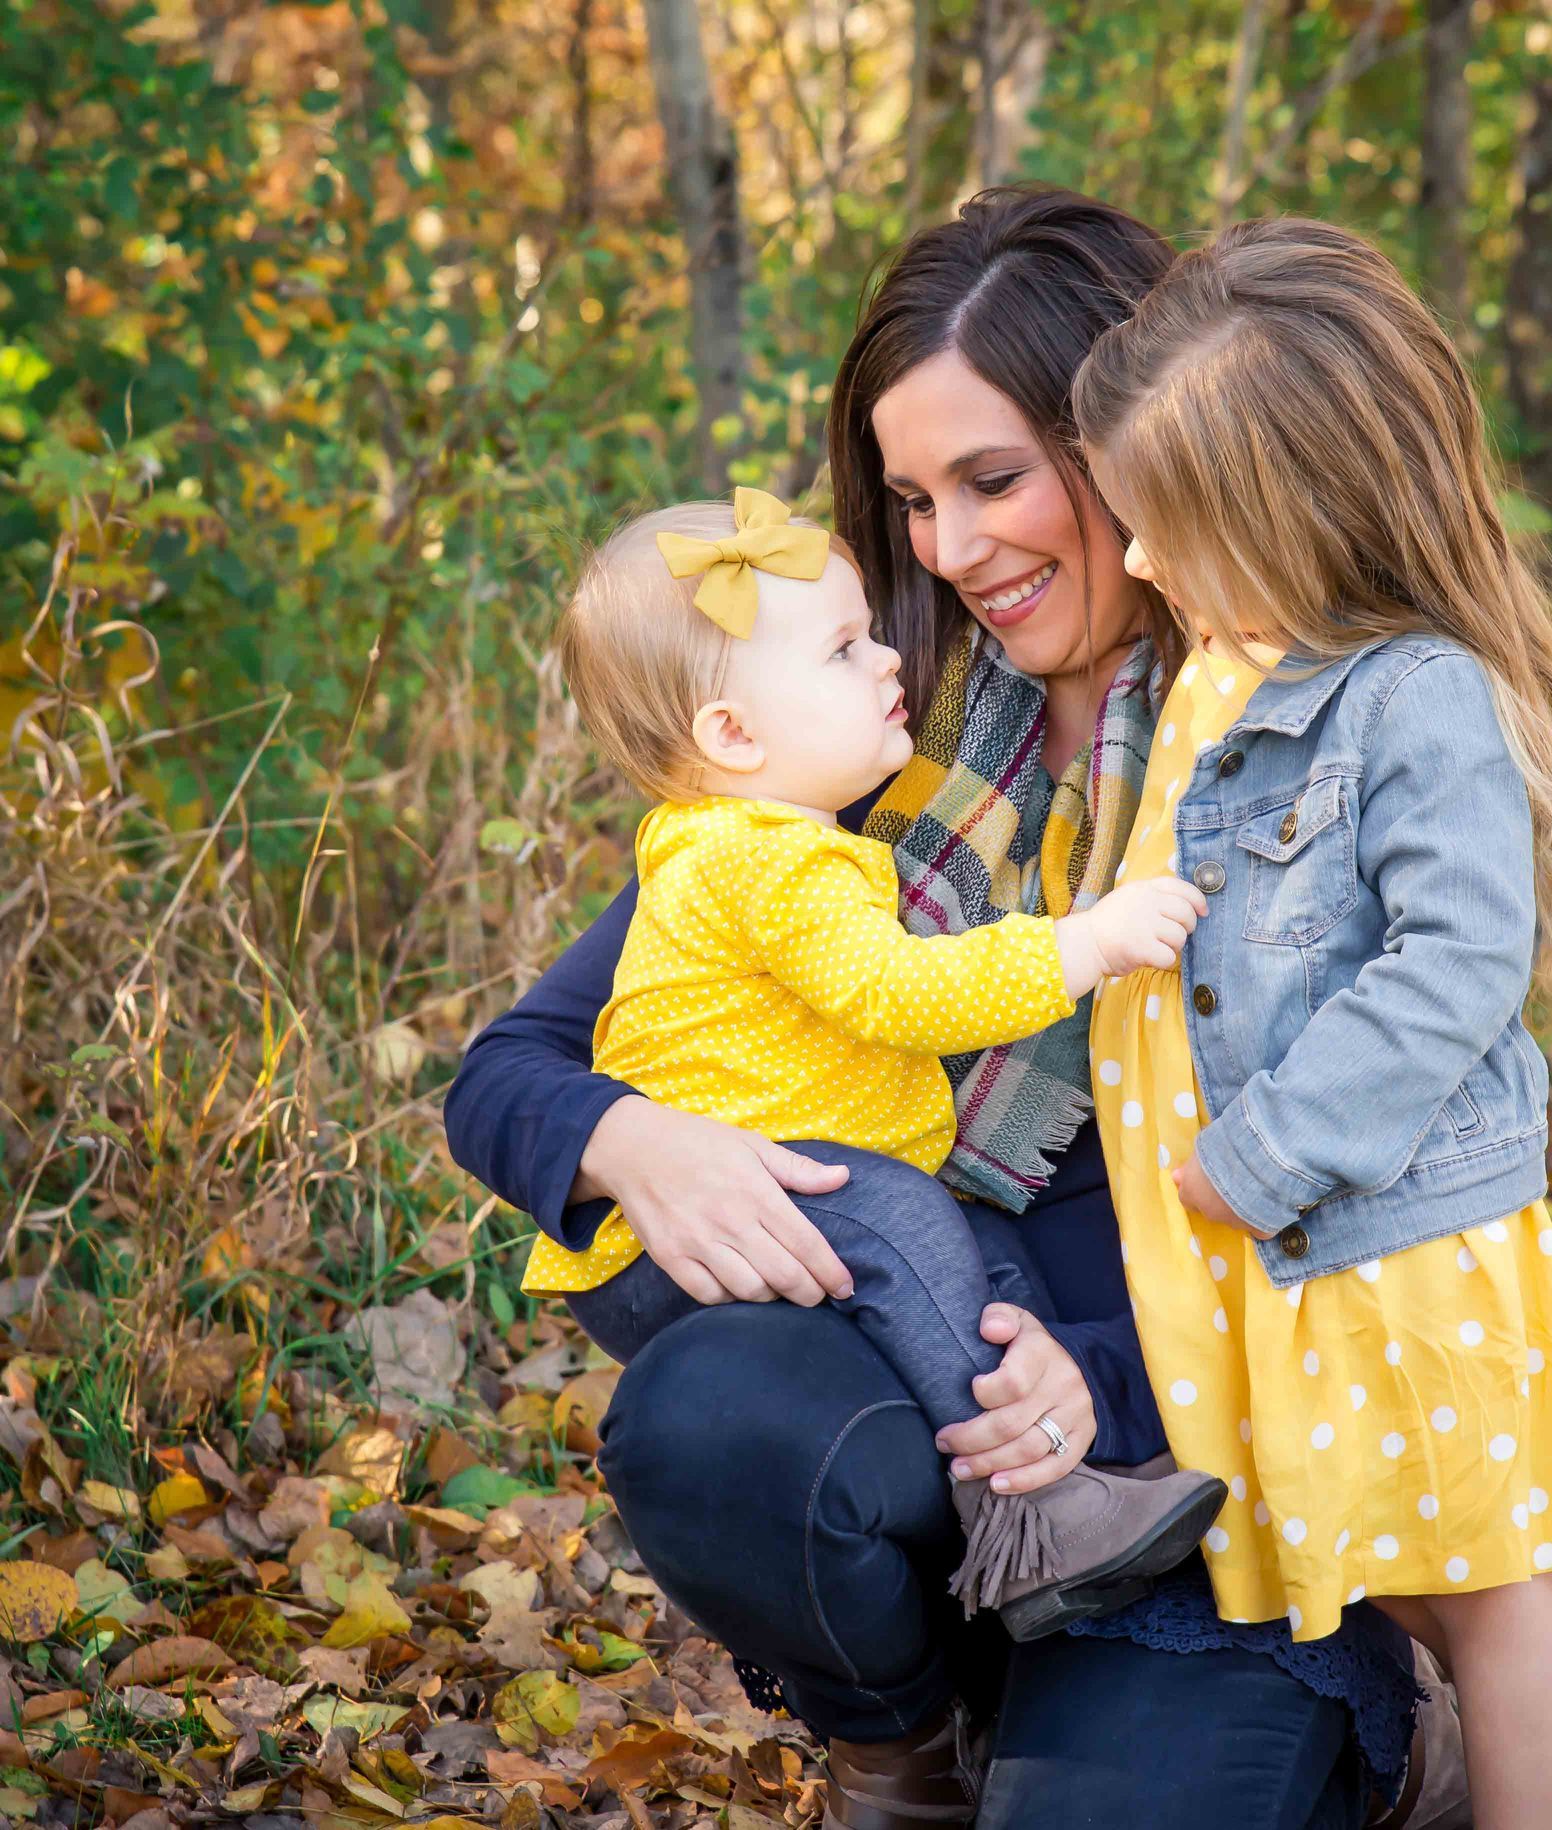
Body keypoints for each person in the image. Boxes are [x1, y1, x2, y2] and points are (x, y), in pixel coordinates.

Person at [445, 186, 1427, 1830]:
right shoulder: (856, 763)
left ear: (1140, 446)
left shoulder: (1282, 754)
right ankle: (900, 1737)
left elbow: (1381, 1225)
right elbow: (512, 1070)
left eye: (995, 479)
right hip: (931, 1448)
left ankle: (1385, 1732)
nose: (954, 549)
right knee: (709, 1415)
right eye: (912, 498)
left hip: (1188, 1472)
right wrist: (636, 1140)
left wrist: (1098, 1384)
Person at [1070, 215, 1552, 1830]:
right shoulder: (1231, 662)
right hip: (1276, 1256)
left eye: (1166, 528)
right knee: (1400, 1553)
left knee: (1480, 1587)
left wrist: (1267, 1149)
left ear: (1293, 517)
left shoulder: (1411, 698)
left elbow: (1457, 959)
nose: (1136, 563)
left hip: (1383, 1234)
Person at [520, 483, 1226, 1637]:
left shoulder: (729, 841)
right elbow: (900, 995)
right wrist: (1086, 942)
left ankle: (1053, 1462)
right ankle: (1031, 1517)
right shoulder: (767, 861)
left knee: (972, 1247)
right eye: (845, 651)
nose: (891, 658)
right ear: (733, 738)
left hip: (778, 1200)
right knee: (905, 1220)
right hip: (704, 1222)